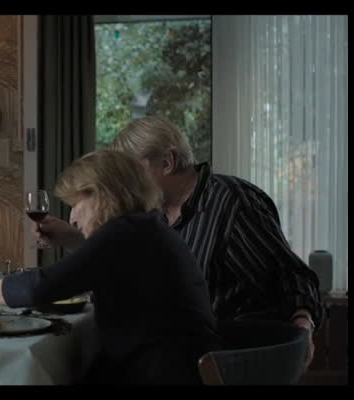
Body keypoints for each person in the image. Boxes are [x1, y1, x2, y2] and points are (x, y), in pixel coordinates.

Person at [36, 116, 322, 367]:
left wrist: (303, 323)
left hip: (232, 357)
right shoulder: (154, 214)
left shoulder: (233, 203)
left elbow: (291, 273)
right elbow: (133, 267)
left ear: (167, 163)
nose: (124, 183)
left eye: (131, 171)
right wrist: (75, 238)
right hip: (178, 351)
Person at [0, 150, 221, 384]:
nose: (72, 217)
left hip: (161, 372)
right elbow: (111, 261)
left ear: (102, 195)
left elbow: (42, 286)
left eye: (76, 204)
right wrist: (74, 238)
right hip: (180, 365)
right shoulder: (144, 226)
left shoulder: (125, 231)